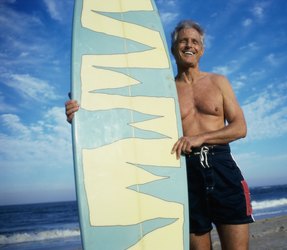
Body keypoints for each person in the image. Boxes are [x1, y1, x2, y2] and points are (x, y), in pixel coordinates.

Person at [65, 20, 254, 250]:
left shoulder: (218, 82)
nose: (189, 45)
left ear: (201, 50)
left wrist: (199, 138)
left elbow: (239, 127)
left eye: (195, 42)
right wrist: (82, 112)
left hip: (223, 169)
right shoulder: (163, 91)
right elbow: (122, 117)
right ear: (173, 49)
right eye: (183, 41)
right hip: (185, 176)